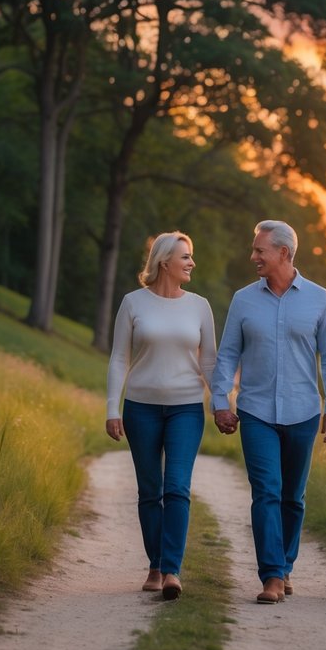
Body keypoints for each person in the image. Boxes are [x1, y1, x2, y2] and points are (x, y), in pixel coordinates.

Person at [211, 220, 326, 604]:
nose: (253, 256)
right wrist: (221, 402)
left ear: (284, 253)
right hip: (255, 412)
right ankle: (271, 575)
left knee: (293, 497)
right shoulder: (243, 300)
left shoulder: (320, 299)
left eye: (260, 250)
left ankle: (285, 566)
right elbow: (228, 354)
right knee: (266, 492)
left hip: (303, 412)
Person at [106, 231, 217, 601]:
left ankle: (171, 570)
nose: (191, 263)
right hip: (141, 408)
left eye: (191, 256)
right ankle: (154, 565)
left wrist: (221, 402)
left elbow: (210, 362)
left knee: (177, 487)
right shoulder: (133, 303)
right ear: (164, 261)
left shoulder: (200, 306)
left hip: (187, 407)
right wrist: (112, 407)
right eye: (185, 257)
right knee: (150, 490)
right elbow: (119, 358)